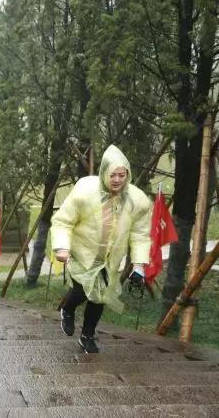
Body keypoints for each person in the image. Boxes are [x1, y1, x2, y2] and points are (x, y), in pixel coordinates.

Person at [52, 145, 151, 353]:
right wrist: (62, 246)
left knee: (100, 297)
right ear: (104, 173)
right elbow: (63, 221)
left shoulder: (137, 201)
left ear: (128, 175)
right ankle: (68, 309)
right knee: (81, 289)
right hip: (83, 253)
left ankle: (87, 336)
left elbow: (140, 234)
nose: (117, 180)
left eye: (121, 175)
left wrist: (139, 265)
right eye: (112, 175)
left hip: (109, 259)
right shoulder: (84, 191)